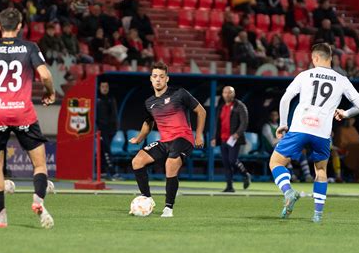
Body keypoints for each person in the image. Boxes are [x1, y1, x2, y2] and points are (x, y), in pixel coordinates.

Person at [0, 8, 56, 229]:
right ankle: (38, 201)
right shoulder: (30, 47)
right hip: (23, 112)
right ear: (20, 26)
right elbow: (45, 75)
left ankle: (1, 219)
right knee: (40, 163)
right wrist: (50, 92)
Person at [269, 43, 359, 223]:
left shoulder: (304, 75)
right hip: (322, 132)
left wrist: (283, 124)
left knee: (276, 162)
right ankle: (317, 215)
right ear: (331, 58)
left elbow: (285, 99)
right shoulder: (341, 79)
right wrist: (345, 113)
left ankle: (288, 192)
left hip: (300, 127)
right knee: (321, 170)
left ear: (315, 58)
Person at [129, 62, 206, 217]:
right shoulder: (149, 103)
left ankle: (168, 208)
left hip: (183, 139)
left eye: (162, 77)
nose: (158, 80)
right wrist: (139, 138)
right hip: (165, 141)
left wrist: (198, 135)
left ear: (167, 79)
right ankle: (147, 199)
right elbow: (148, 123)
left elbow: (201, 111)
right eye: (155, 76)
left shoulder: (180, 94)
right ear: (151, 79)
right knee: (137, 161)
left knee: (170, 164)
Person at [211, 86, 251, 192]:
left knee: (232, 160)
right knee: (226, 162)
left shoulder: (239, 106)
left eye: (230, 92)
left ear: (233, 94)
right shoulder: (221, 107)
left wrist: (237, 133)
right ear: (222, 94)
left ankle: (245, 174)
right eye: (225, 92)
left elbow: (244, 122)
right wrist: (214, 137)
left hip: (234, 139)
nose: (227, 94)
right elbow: (217, 124)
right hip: (223, 139)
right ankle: (229, 186)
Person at [96, 82, 121, 180]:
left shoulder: (111, 99)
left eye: (106, 86)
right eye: (103, 87)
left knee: (105, 150)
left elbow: (114, 115)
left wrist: (114, 129)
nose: (105, 88)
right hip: (100, 130)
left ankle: (104, 173)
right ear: (99, 87)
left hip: (110, 130)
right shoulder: (97, 99)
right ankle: (112, 172)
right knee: (105, 151)